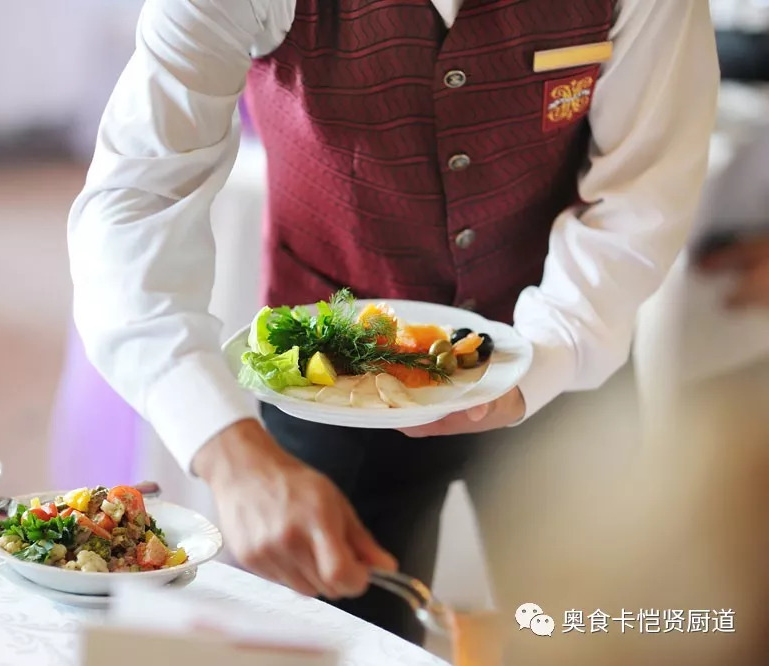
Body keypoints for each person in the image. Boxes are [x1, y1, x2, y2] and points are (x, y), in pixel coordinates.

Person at [68, 0, 719, 643]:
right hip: (326, 385)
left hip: (573, 360)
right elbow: (135, 202)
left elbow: (643, 191)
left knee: (603, 637)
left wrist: (550, 351)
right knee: (343, 645)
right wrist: (230, 452)